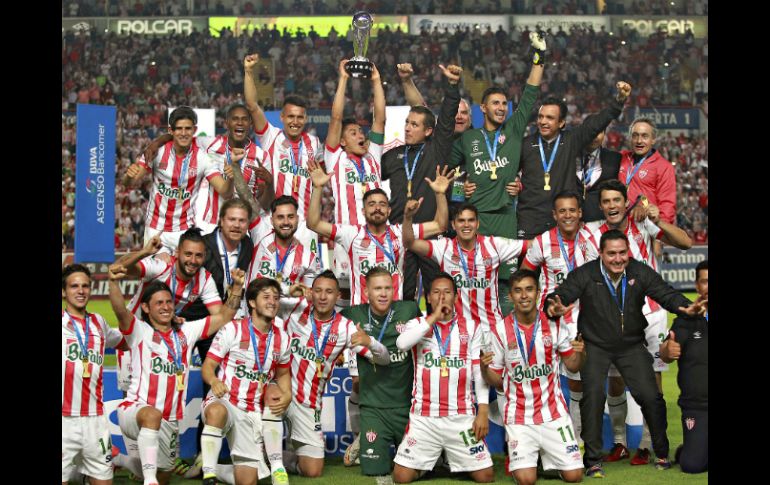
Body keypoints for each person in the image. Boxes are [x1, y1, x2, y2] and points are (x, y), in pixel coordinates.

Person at [544, 229, 707, 478]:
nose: (618, 259)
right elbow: (562, 293)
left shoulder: (639, 271)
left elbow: (666, 293)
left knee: (651, 396)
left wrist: (687, 306)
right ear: (601, 253)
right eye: (612, 254)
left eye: (622, 253)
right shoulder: (585, 274)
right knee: (594, 397)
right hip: (596, 345)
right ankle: (593, 460)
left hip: (631, 345)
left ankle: (661, 452)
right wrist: (552, 305)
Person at [583, 179, 692, 465]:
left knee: (652, 382)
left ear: (625, 201)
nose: (611, 206)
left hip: (651, 313)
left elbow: (685, 243)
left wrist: (660, 220)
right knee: (615, 382)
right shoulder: (593, 234)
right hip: (613, 317)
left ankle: (646, 443)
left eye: (616, 200)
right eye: (605, 201)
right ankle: (619, 442)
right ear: (601, 205)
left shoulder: (643, 224)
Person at [106, 263, 244, 485]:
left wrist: (237, 288)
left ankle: (120, 458)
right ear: (146, 308)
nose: (165, 307)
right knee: (151, 417)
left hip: (169, 419)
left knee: (164, 475)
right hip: (135, 410)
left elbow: (224, 317)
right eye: (158, 303)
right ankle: (148, 480)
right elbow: (120, 311)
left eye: (169, 302)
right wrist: (113, 283)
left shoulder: (187, 331)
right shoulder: (140, 331)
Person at [449, 32, 546, 315]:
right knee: (472, 285)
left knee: (507, 289)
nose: (501, 108)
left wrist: (539, 58)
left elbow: (530, 95)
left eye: (505, 104)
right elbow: (447, 176)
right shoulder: (468, 139)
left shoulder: (514, 132)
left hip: (506, 221)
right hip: (475, 223)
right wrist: (459, 191)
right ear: (483, 108)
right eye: (496, 104)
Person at [279, 270, 391, 477]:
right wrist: (286, 290)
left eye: (329, 292)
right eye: (318, 291)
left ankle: (273, 457)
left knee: (312, 471)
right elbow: (256, 295)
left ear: (338, 296)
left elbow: (384, 358)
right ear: (310, 293)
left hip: (308, 403)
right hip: (278, 391)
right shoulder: (294, 309)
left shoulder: (345, 328)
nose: (322, 297)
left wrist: (370, 342)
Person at [480, 269, 586, 484]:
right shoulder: (500, 330)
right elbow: (497, 381)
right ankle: (528, 459)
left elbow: (573, 366)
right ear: (510, 296)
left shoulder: (555, 325)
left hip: (553, 413)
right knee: (526, 480)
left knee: (574, 477)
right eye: (518, 291)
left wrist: (582, 351)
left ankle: (548, 457)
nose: (524, 295)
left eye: (529, 289)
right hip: (519, 417)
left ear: (538, 293)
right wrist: (484, 369)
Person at [392, 273, 494, 483]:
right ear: (427, 298)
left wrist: (483, 410)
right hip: (425, 418)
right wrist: (433, 318)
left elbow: (478, 370)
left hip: (461, 416)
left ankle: (449, 458)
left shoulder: (472, 327)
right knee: (401, 477)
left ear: (456, 297)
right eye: (436, 293)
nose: (442, 297)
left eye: (447, 292)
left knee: (485, 476)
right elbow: (402, 344)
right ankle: (429, 463)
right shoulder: (418, 324)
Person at [306, 162, 451, 305]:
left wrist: (440, 194)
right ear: (363, 211)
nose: (377, 208)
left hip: (392, 315)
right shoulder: (351, 234)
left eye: (382, 204)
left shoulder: (401, 232)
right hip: (361, 316)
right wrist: (318, 187)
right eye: (371, 204)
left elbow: (440, 225)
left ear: (389, 211)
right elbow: (313, 224)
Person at [380, 63, 462, 302]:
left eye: (414, 125)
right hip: (399, 233)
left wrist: (452, 86)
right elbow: (369, 174)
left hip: (430, 234)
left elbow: (446, 118)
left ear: (428, 131)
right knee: (402, 295)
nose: (407, 128)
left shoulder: (436, 150)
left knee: (436, 291)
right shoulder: (392, 156)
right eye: (407, 122)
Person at [521, 192, 597, 445]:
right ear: (554, 215)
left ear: (580, 213)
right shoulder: (542, 242)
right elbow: (525, 277)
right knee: (549, 380)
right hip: (552, 321)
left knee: (584, 380)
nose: (567, 215)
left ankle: (580, 436)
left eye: (572, 210)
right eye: (562, 211)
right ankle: (556, 437)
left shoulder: (592, 239)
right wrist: (540, 307)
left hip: (589, 318)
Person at [199, 277, 292, 485]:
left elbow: (283, 374)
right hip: (225, 400)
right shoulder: (232, 329)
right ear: (251, 302)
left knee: (247, 482)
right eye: (266, 297)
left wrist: (288, 394)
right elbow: (207, 366)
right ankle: (209, 474)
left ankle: (220, 469)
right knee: (217, 411)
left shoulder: (282, 338)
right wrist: (214, 381)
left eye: (276, 298)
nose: (272, 302)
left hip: (251, 412)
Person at [516, 82, 631, 240]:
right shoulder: (525, 144)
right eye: (541, 117)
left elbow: (596, 123)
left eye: (550, 118)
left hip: (561, 220)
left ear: (561, 122)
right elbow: (507, 171)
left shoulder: (570, 140)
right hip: (529, 220)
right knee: (527, 265)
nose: (543, 122)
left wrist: (618, 101)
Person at [340, 267, 422, 481]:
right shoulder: (353, 314)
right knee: (375, 470)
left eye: (388, 288)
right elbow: (326, 324)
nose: (383, 293)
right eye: (377, 289)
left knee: (419, 469)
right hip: (374, 407)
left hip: (408, 406)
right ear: (367, 292)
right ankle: (364, 439)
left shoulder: (410, 309)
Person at [140, 104, 271, 235]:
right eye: (235, 119)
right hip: (211, 226)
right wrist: (155, 144)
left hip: (243, 229)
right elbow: (180, 135)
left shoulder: (261, 156)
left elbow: (265, 204)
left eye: (244, 119)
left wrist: (269, 183)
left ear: (251, 123)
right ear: (227, 123)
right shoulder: (210, 144)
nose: (240, 123)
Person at [123, 106, 236, 250]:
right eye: (179, 129)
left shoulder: (202, 158)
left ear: (194, 130)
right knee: (156, 272)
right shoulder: (157, 152)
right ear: (171, 131)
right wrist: (128, 175)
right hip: (155, 228)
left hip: (184, 231)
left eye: (188, 128)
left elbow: (225, 192)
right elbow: (130, 183)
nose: (184, 133)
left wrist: (230, 178)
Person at [244, 54, 323, 258]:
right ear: (282, 117)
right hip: (274, 220)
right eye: (290, 116)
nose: (295, 122)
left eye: (299, 117)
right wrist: (249, 71)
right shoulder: (271, 136)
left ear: (305, 118)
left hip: (305, 225)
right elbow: (252, 105)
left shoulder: (314, 143)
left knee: (307, 279)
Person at [403, 201, 528, 329]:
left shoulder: (494, 245)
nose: (466, 225)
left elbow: (532, 245)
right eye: (461, 220)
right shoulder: (445, 247)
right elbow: (409, 243)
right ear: (453, 224)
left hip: (491, 329)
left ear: (477, 223)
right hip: (457, 331)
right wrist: (407, 217)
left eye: (471, 220)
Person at [325, 59, 386, 303]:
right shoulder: (335, 159)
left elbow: (379, 119)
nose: (360, 135)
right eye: (353, 133)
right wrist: (343, 79)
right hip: (348, 237)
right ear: (341, 142)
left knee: (377, 291)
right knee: (347, 296)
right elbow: (336, 118)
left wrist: (375, 81)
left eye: (361, 132)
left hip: (377, 236)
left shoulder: (373, 156)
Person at [62, 264, 126, 485]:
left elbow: (127, 341)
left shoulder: (99, 322)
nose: (81, 291)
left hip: (96, 420)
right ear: (63, 292)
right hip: (64, 420)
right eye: (74, 286)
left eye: (85, 286)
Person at [659, 260, 708, 474]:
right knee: (691, 465)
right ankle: (690, 449)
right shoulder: (686, 320)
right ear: (697, 286)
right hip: (698, 406)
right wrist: (667, 351)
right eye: (705, 282)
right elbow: (665, 352)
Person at [243, 196, 320, 298]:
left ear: (297, 219)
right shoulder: (260, 234)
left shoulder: (309, 258)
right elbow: (245, 195)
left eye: (290, 217)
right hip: (253, 312)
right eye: (280, 217)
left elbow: (310, 296)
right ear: (271, 220)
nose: (286, 222)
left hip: (288, 313)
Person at [618, 118, 676, 225]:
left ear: (653, 139)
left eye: (645, 136)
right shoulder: (621, 158)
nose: (639, 141)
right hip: (621, 225)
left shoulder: (664, 167)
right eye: (635, 135)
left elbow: (667, 205)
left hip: (646, 227)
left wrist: (659, 233)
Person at [578, 131, 621, 223]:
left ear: (604, 134)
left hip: (602, 224)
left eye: (599, 132)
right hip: (573, 223)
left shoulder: (615, 159)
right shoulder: (569, 157)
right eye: (592, 131)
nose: (595, 137)